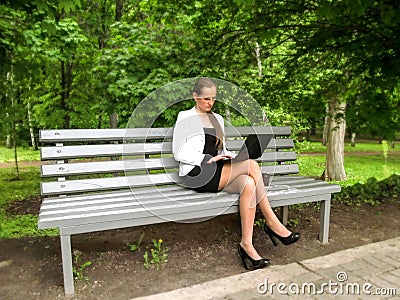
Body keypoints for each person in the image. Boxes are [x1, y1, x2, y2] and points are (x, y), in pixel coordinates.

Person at [172, 77, 300, 270]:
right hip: (196, 173)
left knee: (249, 184)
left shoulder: (218, 120)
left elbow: (221, 149)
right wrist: (206, 159)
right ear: (195, 96)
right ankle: (272, 222)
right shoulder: (185, 117)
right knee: (252, 165)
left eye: (213, 98)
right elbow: (178, 152)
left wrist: (227, 156)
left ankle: (246, 245)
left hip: (216, 170)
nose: (210, 102)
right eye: (206, 98)